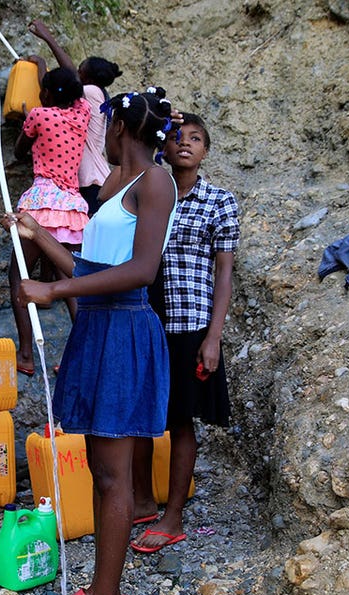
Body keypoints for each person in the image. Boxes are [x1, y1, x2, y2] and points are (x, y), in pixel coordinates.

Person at [3, 87, 177, 595]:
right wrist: (38, 236)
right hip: (101, 327)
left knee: (114, 476)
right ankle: (102, 591)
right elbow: (89, 268)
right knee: (104, 472)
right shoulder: (114, 183)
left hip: (125, 329)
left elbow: (143, 271)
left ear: (119, 130)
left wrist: (52, 294)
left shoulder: (156, 183)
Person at [131, 113, 239, 554]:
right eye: (177, 136)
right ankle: (140, 500)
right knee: (138, 418)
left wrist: (213, 337)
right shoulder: (151, 191)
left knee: (180, 420)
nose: (185, 144)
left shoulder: (220, 201)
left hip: (190, 324)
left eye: (195, 138)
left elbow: (224, 274)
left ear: (206, 151)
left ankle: (173, 515)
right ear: (164, 146)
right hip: (145, 318)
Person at [10, 64, 90, 374]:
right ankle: (81, 357)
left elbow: (19, 152)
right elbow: (73, 82)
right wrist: (46, 68)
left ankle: (26, 354)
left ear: (44, 94)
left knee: (18, 274)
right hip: (71, 207)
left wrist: (29, 114)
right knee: (69, 281)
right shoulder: (82, 115)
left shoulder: (39, 116)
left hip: (41, 202)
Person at [28, 19, 123, 216]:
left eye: (79, 72)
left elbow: (63, 82)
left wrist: (47, 39)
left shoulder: (93, 93)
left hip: (92, 181)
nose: (74, 75)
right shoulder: (89, 103)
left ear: (86, 78)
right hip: (91, 180)